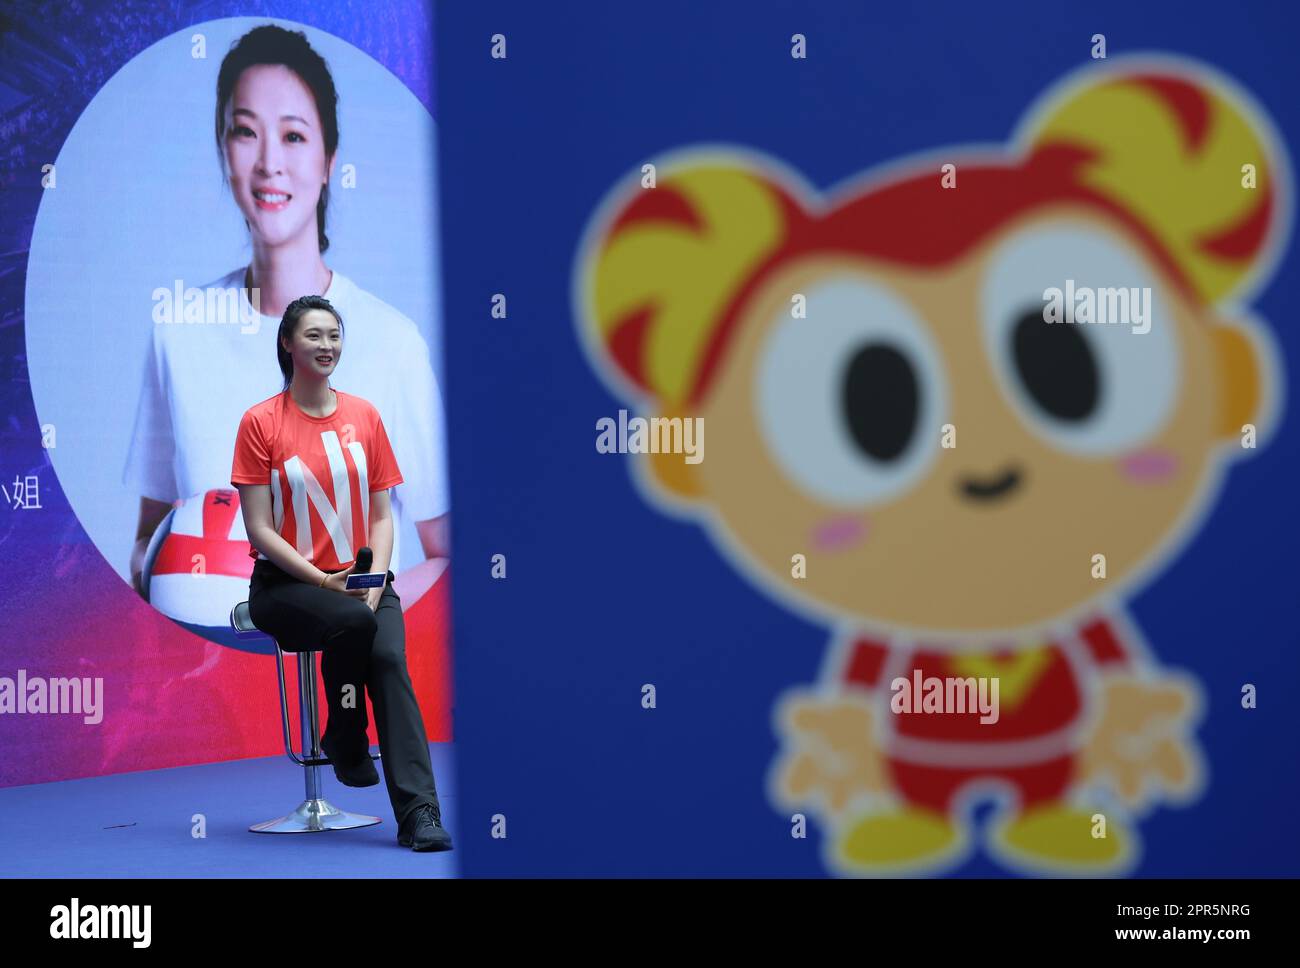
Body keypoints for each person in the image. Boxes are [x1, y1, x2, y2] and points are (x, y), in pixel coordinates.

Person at [125, 23, 449, 599]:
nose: (269, 162)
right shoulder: (176, 331)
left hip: (343, 672)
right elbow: (148, 547)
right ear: (223, 150)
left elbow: (449, 559)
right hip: (211, 682)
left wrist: (353, 603)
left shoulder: (392, 343)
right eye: (245, 132)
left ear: (329, 159)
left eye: (294, 136)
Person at [231, 294, 451, 851]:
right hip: (287, 589)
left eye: (334, 335)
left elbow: (382, 515)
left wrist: (371, 580)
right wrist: (323, 580)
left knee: (388, 659)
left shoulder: (365, 415)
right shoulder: (260, 422)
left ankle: (420, 813)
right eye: (313, 335)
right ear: (287, 343)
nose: (326, 345)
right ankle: (348, 737)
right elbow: (259, 530)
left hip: (362, 582)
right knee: (354, 625)